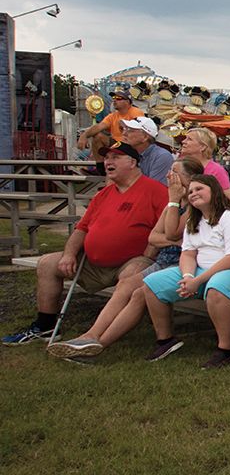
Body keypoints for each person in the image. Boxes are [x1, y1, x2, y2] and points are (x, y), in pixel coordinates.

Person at [2, 142, 166, 345]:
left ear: (132, 162)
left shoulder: (155, 191)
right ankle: (45, 326)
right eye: (106, 158)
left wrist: (149, 255)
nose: (108, 162)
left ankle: (100, 333)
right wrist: (69, 254)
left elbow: (166, 228)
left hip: (132, 260)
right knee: (47, 264)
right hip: (91, 262)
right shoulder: (103, 195)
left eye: (115, 157)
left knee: (132, 274)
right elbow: (82, 229)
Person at [46, 158, 203, 359]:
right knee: (129, 287)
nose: (168, 176)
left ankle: (94, 344)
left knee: (137, 291)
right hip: (166, 261)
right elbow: (153, 237)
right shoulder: (174, 205)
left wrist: (172, 205)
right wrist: (173, 237)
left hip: (184, 264)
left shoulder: (194, 204)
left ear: (189, 179)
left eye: (174, 172)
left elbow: (171, 233)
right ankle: (90, 338)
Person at [140, 175, 230, 368]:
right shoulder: (194, 221)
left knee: (216, 288)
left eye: (199, 189)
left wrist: (197, 280)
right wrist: (188, 276)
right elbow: (187, 254)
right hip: (201, 269)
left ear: (214, 190)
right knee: (152, 284)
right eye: (190, 191)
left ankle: (226, 350)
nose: (193, 193)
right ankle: (166, 341)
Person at [76, 88, 142, 151]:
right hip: (117, 144)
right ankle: (100, 163)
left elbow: (139, 134)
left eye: (118, 98)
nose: (114, 100)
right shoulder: (112, 116)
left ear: (127, 101)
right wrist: (84, 135)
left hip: (131, 145)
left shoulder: (136, 112)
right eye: (114, 98)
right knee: (97, 137)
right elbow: (99, 126)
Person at [178, 127, 230, 198]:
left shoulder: (216, 171)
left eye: (189, 139)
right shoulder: (181, 165)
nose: (183, 141)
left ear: (203, 147)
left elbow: (227, 201)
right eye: (185, 138)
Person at [118, 116, 174, 184]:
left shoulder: (162, 156)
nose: (124, 133)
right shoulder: (127, 153)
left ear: (145, 137)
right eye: (124, 129)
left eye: (130, 130)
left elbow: (155, 189)